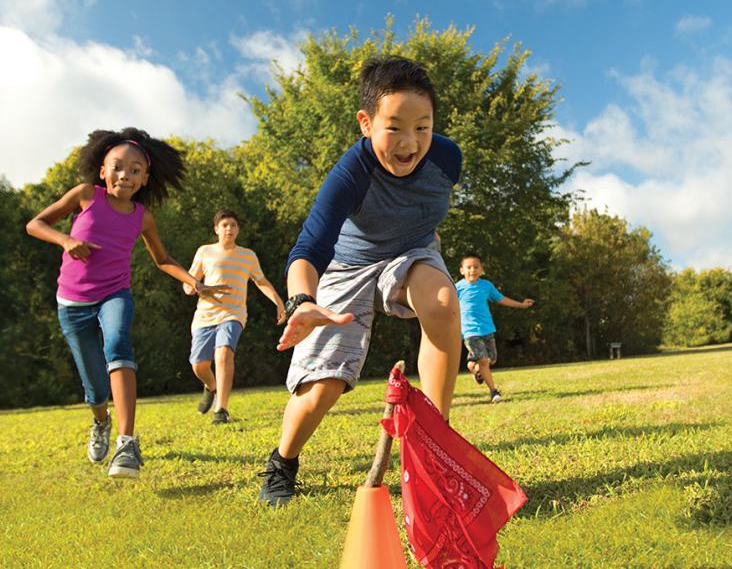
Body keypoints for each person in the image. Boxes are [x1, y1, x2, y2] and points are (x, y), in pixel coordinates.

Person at [258, 55, 463, 506]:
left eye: (423, 127)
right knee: (323, 387)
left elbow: (422, 206)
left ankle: (433, 447)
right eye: (394, 127)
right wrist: (301, 301)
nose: (410, 143)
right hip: (348, 265)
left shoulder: (448, 159)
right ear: (366, 123)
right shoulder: (351, 173)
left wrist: (426, 242)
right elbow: (307, 250)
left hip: (412, 252)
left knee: (444, 303)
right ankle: (283, 461)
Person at [26, 128, 225, 479]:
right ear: (103, 170)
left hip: (115, 294)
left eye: (135, 170)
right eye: (118, 167)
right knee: (94, 387)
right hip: (71, 303)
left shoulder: (142, 217)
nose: (125, 175)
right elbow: (35, 224)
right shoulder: (86, 195)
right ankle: (100, 421)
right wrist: (65, 240)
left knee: (118, 344)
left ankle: (127, 442)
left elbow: (163, 259)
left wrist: (193, 281)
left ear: (145, 178)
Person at [184, 209, 286, 425]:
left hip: (233, 314)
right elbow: (187, 286)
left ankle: (221, 410)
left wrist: (278, 301)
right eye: (224, 225)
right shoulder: (205, 252)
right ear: (216, 229)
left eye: (233, 225)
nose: (229, 229)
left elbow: (261, 282)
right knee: (199, 365)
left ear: (238, 229)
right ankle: (211, 386)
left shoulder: (247, 255)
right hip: (204, 316)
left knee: (223, 355)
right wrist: (199, 287)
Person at [456, 253, 535, 403]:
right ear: (462, 270)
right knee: (484, 361)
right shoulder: (457, 288)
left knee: (491, 359)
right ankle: (494, 392)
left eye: (476, 267)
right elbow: (447, 304)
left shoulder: (487, 286)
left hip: (487, 328)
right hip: (469, 331)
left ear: (481, 269)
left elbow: (502, 299)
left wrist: (521, 305)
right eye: (469, 267)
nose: (472, 270)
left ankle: (473, 366)